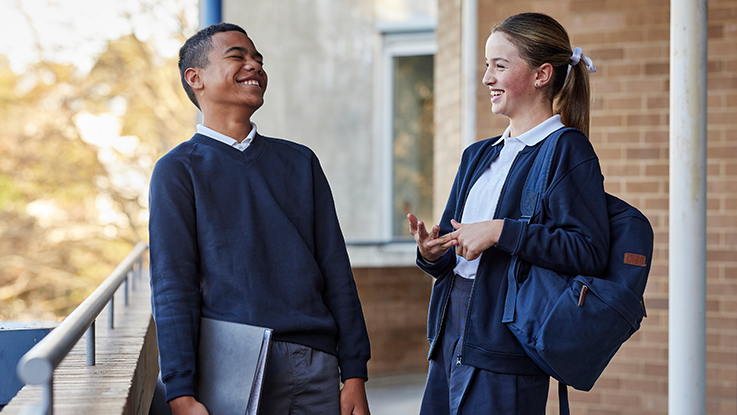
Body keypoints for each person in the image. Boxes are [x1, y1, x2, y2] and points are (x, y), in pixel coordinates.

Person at [148, 22, 371, 415]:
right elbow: (172, 286)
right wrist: (180, 392)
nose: (254, 65)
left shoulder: (300, 162)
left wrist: (354, 373)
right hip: (233, 367)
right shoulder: (178, 171)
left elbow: (336, 269)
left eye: (258, 59)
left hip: (316, 365)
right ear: (194, 78)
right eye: (238, 56)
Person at [407, 12, 609, 414]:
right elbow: (452, 251)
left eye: (500, 65)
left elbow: (588, 251)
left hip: (506, 349)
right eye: (486, 65)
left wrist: (502, 231)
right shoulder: (477, 155)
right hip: (448, 338)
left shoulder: (566, 150)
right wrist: (432, 252)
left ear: (541, 75)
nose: (487, 78)